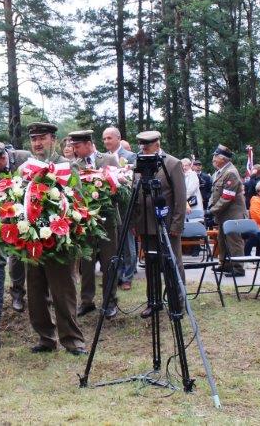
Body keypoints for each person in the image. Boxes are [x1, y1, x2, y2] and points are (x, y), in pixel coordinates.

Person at [22, 122, 87, 355]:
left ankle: (72, 340)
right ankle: (46, 338)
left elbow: (79, 200)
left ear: (53, 139)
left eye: (42, 138)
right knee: (36, 292)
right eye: (34, 139)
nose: (38, 143)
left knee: (63, 291)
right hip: (33, 240)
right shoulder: (26, 168)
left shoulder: (67, 167)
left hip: (61, 240)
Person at [133, 131, 188, 319]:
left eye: (147, 146)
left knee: (173, 264)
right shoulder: (139, 163)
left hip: (167, 225)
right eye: (141, 146)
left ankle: (177, 302)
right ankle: (153, 301)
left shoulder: (172, 163)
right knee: (151, 265)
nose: (143, 149)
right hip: (146, 225)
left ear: (157, 144)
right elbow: (137, 193)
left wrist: (176, 225)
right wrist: (135, 222)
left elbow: (180, 197)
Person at [70, 129, 121, 319]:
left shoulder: (108, 159)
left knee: (109, 261)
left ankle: (110, 301)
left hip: (107, 220)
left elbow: (120, 186)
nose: (74, 150)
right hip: (85, 221)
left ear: (88, 144)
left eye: (77, 146)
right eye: (73, 146)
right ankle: (87, 301)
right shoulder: (74, 165)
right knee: (87, 262)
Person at [0, 141, 31, 312]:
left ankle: (42, 293)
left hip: (31, 210)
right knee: (16, 256)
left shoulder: (25, 157)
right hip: (10, 216)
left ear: (3, 157)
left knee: (36, 251)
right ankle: (17, 294)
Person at [209, 145, 247, 276]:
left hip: (233, 213)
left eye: (215, 157)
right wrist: (210, 207)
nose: (213, 159)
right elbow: (214, 193)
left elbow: (227, 196)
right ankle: (225, 264)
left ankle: (238, 268)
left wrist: (212, 210)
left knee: (234, 240)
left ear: (222, 159)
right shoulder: (219, 173)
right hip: (223, 213)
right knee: (222, 239)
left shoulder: (230, 172)